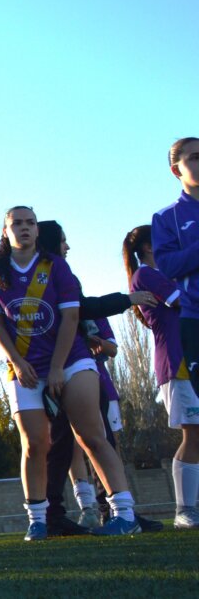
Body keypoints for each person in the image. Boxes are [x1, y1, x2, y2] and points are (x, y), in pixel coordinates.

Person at [0, 206, 141, 541]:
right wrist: (17, 363)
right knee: (35, 444)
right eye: (16, 224)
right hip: (25, 369)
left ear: (38, 230)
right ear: (5, 232)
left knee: (90, 435)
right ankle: (37, 520)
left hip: (70, 360)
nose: (24, 228)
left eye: (30, 223)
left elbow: (70, 318)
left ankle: (124, 514)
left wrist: (57, 368)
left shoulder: (57, 266)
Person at [34, 221, 161, 535]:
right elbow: (82, 308)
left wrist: (86, 335)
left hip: (76, 366)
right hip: (54, 367)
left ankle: (117, 511)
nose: (68, 246)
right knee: (65, 444)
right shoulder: (39, 273)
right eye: (63, 241)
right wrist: (127, 299)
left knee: (94, 439)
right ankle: (55, 516)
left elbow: (77, 312)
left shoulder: (58, 272)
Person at [125, 223, 199, 528]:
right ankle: (185, 510)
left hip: (190, 356)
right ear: (147, 248)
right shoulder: (146, 274)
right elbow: (185, 301)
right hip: (179, 361)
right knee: (194, 433)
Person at [152, 137, 199, 426]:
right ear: (176, 170)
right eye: (194, 157)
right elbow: (167, 265)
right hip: (194, 319)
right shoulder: (166, 217)